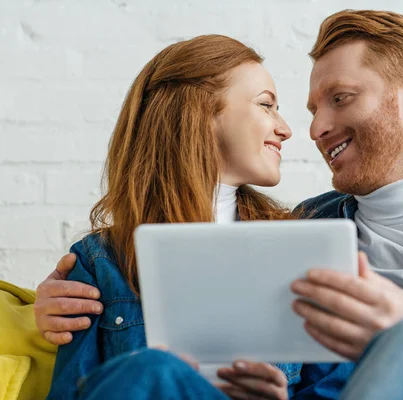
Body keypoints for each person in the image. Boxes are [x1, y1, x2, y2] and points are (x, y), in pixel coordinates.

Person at [36, 10, 403, 400]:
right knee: (150, 371)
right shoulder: (298, 231)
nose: (311, 129)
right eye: (304, 107)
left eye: (340, 99)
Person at [43, 34, 354, 400]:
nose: (284, 128)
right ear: (200, 114)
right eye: (266, 105)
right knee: (153, 369)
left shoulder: (300, 248)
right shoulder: (100, 263)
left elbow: (334, 391)